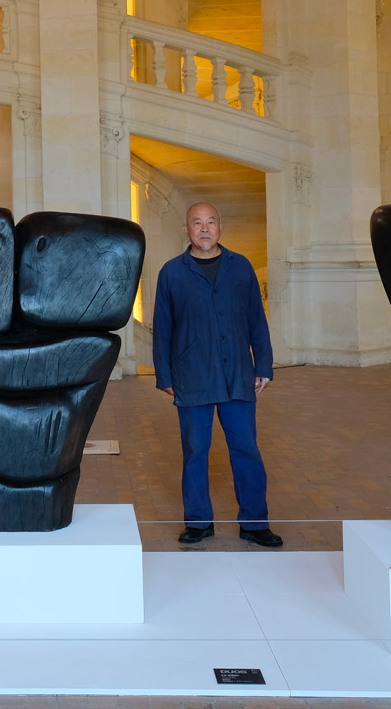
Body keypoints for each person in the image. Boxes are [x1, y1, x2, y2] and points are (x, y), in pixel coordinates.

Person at [151, 201, 282, 547]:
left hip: (238, 374)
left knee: (246, 449)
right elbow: (162, 328)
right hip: (192, 376)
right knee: (195, 451)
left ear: (220, 227)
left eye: (211, 222)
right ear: (186, 230)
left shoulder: (241, 267)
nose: (205, 228)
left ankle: (255, 523)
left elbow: (256, 320)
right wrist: (164, 375)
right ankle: (198, 522)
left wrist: (263, 365)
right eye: (197, 223)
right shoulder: (171, 273)